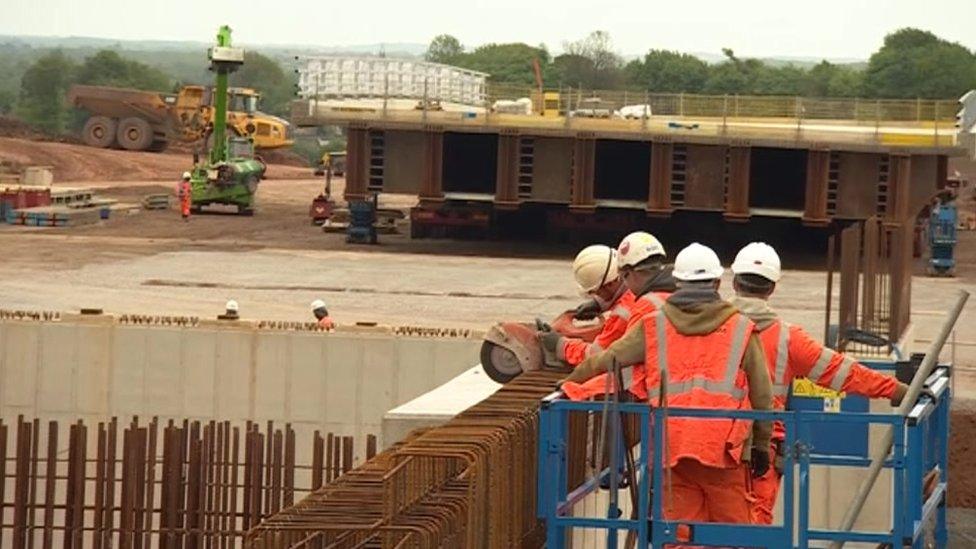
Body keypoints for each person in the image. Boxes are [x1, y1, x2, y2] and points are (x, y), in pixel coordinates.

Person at [561, 243, 773, 535]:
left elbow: (608, 359)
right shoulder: (741, 328)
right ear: (718, 282)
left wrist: (569, 382)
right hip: (724, 452)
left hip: (671, 448)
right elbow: (763, 395)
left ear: (678, 282)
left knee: (678, 535)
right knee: (733, 535)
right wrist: (761, 445)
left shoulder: (653, 325)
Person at [729, 242, 909, 525]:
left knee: (700, 530)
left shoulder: (710, 327)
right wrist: (895, 389)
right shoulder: (789, 339)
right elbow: (843, 372)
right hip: (760, 456)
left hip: (710, 446)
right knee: (754, 530)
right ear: (772, 288)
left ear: (734, 282)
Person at [561, 232, 677, 401]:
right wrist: (601, 304)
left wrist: (562, 350)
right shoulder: (676, 292)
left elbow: (613, 359)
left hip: (659, 401)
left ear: (630, 273)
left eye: (624, 277)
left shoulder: (645, 305)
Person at [539, 244, 634, 367]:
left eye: (594, 291)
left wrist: (561, 345)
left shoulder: (622, 313)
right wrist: (600, 303)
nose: (593, 295)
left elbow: (597, 357)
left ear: (609, 284)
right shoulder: (638, 284)